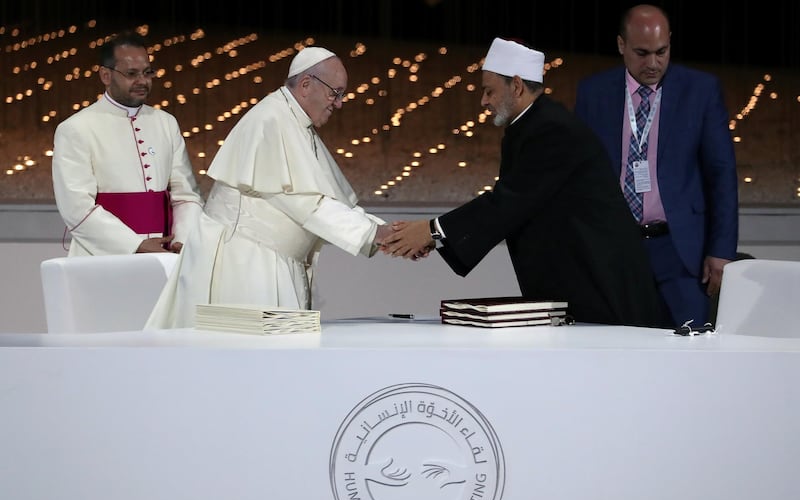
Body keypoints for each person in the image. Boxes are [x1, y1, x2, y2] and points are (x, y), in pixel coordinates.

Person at [381, 37, 665, 328]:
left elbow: (507, 202)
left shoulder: (550, 130)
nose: (484, 101)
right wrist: (436, 235)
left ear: (516, 86)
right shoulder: (532, 126)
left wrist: (433, 231)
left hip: (605, 289)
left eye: (489, 91)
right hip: (583, 282)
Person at [146, 46, 392, 329]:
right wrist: (375, 233)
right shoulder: (271, 121)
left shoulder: (295, 124)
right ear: (306, 85)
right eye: (334, 93)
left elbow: (326, 198)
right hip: (244, 265)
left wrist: (380, 230)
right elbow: (306, 204)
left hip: (273, 262)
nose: (338, 103)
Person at [574, 4, 739, 327]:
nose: (653, 63)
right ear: (621, 45)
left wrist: (721, 250)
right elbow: (580, 176)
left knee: (691, 353)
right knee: (619, 352)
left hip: (679, 251)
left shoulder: (700, 91)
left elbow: (721, 174)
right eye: (642, 53)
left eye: (661, 51)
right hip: (616, 249)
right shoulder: (594, 93)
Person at [52, 31, 203, 256]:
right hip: (102, 257)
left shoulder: (166, 123)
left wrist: (182, 241)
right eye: (131, 74)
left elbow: (187, 195)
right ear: (105, 75)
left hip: (166, 254)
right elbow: (77, 209)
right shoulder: (76, 129)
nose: (142, 81)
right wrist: (136, 245)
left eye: (147, 73)